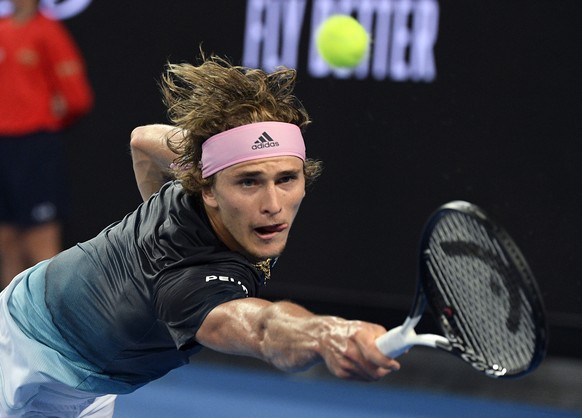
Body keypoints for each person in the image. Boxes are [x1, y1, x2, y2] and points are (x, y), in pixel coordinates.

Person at [0, 54, 399, 417]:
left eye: (286, 179)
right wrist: (326, 333)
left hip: (76, 367)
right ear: (208, 189)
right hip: (27, 372)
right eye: (248, 182)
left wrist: (156, 222)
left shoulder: (203, 169)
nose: (273, 203)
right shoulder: (188, 284)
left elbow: (142, 138)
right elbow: (262, 329)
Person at [0, 0, 93, 289]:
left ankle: (50, 326)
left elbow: (77, 96)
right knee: (7, 241)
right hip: (4, 147)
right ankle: (8, 326)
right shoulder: (2, 30)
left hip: (36, 146)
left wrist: (45, 112)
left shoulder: (49, 31)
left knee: (41, 242)